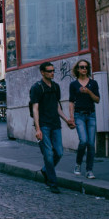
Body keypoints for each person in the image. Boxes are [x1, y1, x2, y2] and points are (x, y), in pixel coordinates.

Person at [30, 61, 74, 194]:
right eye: (49, 71)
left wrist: (66, 119)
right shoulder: (37, 87)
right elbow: (35, 108)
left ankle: (45, 170)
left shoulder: (56, 87)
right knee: (48, 154)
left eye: (53, 71)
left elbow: (57, 106)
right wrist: (37, 129)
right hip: (43, 125)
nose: (52, 73)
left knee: (59, 152)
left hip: (55, 124)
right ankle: (52, 182)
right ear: (42, 72)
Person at [68, 59, 100, 179]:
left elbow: (97, 99)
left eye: (86, 67)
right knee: (84, 141)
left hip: (91, 114)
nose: (84, 69)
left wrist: (88, 92)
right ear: (77, 69)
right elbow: (71, 102)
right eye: (81, 67)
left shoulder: (93, 83)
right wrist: (71, 118)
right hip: (79, 115)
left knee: (91, 144)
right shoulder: (74, 84)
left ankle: (89, 170)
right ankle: (78, 163)